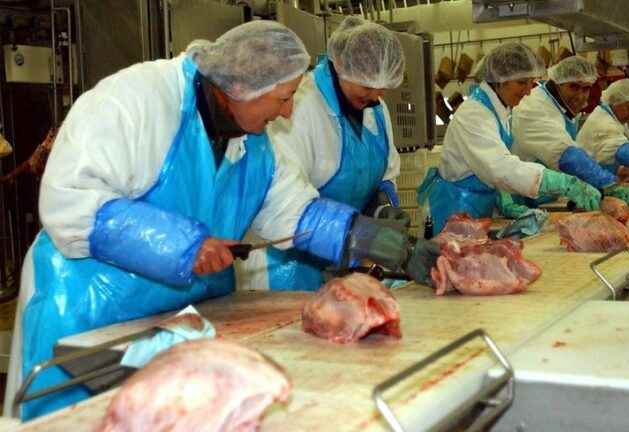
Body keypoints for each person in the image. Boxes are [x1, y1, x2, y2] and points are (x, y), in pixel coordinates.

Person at [5, 21, 437, 420]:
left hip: (177, 324)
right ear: (240, 87)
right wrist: (182, 245)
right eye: (283, 97)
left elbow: (300, 214)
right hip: (87, 319)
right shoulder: (135, 100)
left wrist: (391, 246)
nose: (287, 113)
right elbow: (70, 202)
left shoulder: (256, 144)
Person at [237, 17, 411, 292]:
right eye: (367, 86)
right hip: (290, 262)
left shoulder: (376, 109)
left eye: (382, 87)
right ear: (341, 67)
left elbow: (385, 170)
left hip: (348, 253)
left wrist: (381, 206)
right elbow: (284, 198)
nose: (376, 95)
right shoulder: (301, 105)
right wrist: (359, 235)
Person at [416, 42, 601, 234]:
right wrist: (564, 184)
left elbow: (495, 163)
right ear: (498, 80)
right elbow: (500, 168)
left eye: (531, 83)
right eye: (522, 83)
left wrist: (503, 196)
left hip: (474, 210)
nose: (528, 91)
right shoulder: (475, 114)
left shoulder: (500, 109)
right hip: (451, 211)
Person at [511, 56, 629, 208]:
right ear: (557, 83)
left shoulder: (563, 108)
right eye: (573, 87)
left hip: (539, 198)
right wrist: (609, 184)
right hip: (517, 200)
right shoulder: (534, 107)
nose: (580, 96)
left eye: (586, 88)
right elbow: (567, 156)